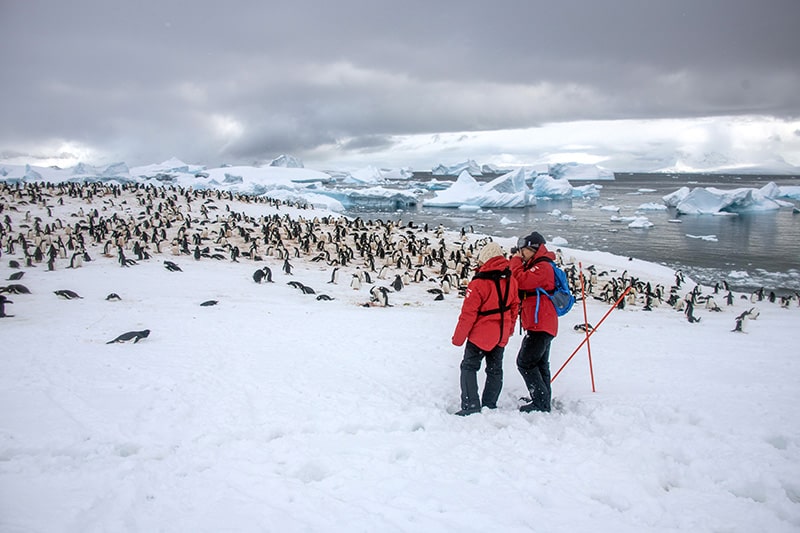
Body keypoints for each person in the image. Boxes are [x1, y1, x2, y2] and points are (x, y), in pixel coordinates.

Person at [451, 242, 520, 416]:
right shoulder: (511, 279)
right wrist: (509, 329)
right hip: (500, 333)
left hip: (480, 335)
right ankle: (490, 404)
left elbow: (468, 314)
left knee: (469, 367)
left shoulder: (479, 283)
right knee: (495, 369)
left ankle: (471, 404)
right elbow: (514, 307)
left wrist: (458, 338)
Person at [509, 231, 559, 413]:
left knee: (525, 362)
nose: (521, 253)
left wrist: (514, 261)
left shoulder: (542, 266)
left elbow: (520, 280)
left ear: (532, 248)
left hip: (541, 324)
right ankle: (543, 399)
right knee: (539, 363)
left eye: (523, 250)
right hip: (541, 323)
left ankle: (540, 402)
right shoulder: (537, 264)